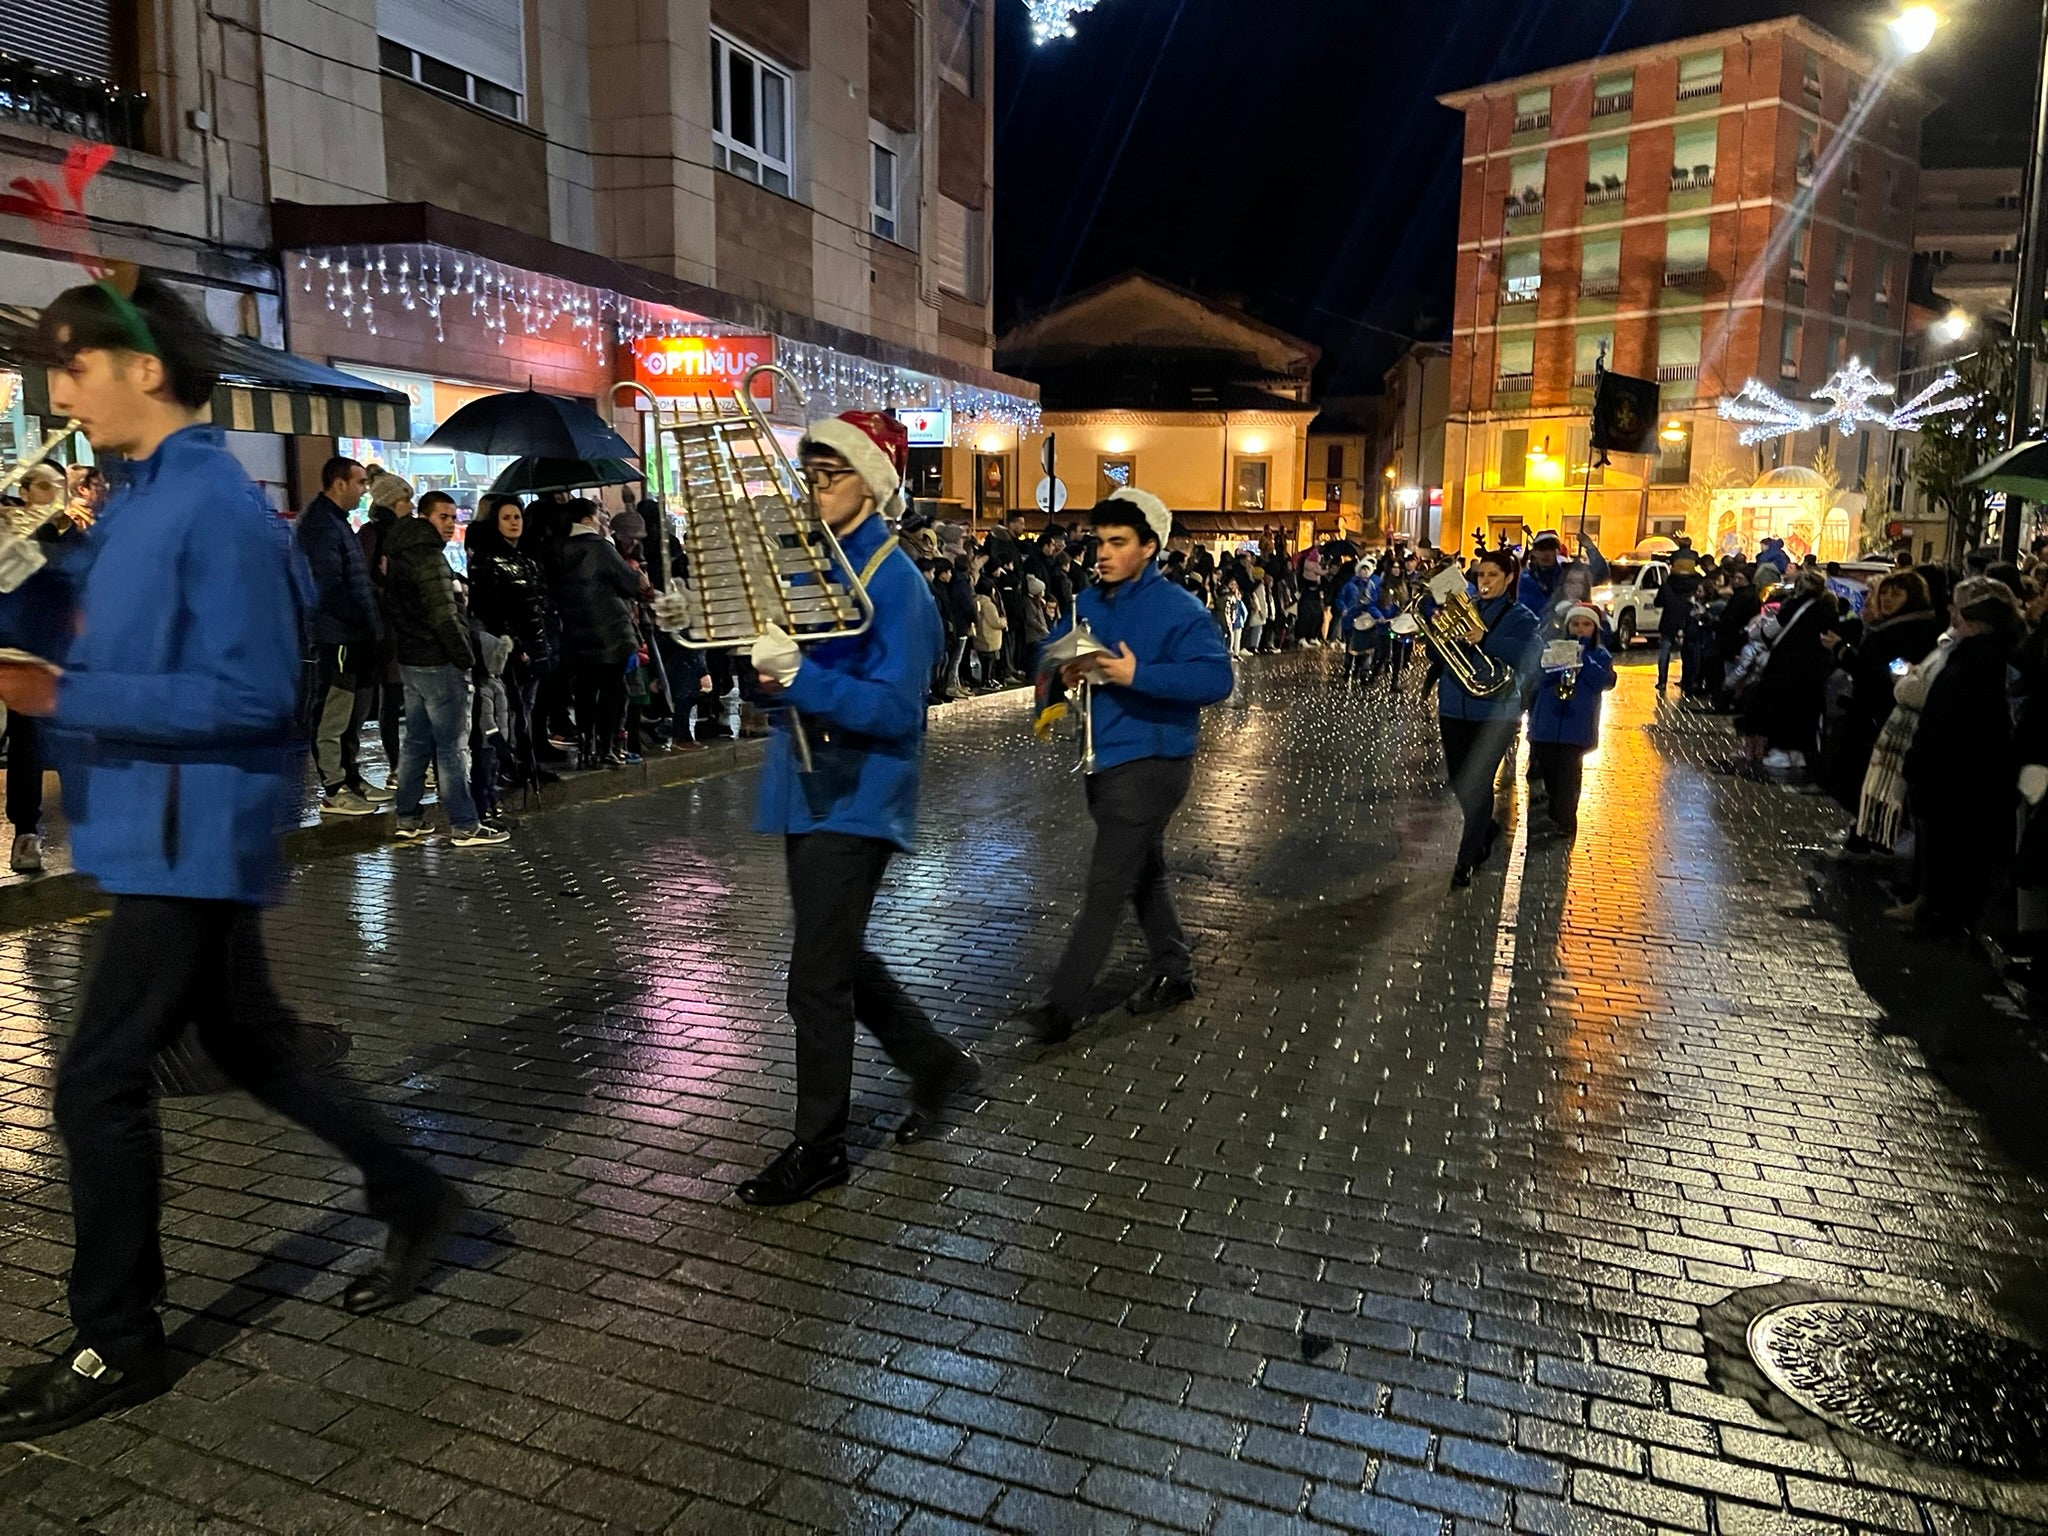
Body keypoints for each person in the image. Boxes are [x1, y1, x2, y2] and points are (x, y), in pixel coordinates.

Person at [0, 277, 457, 1442]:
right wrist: (40, 572)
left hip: (191, 835)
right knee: (253, 1047)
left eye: (76, 364)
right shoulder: (143, 500)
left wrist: (68, 688)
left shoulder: (217, 507)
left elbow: (254, 694)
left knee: (96, 1079)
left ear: (145, 370)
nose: (59, 390)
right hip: (154, 826)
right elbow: (101, 633)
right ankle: (412, 1190)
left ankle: (119, 1339)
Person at [688, 410, 975, 1206]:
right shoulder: (817, 565)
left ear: (875, 483)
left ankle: (821, 1146)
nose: (816, 489)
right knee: (837, 956)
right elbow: (780, 672)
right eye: (810, 474)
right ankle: (935, 1064)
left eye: (833, 474)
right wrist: (759, 665)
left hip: (859, 799)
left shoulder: (897, 584)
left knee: (814, 979)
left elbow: (895, 713)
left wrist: (800, 678)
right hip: (810, 791)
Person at [1022, 488, 1235, 1043]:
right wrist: (1062, 674)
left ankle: (1062, 1006)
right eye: (1100, 541)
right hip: (1104, 760)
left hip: (1153, 764)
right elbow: (1049, 652)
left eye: (1119, 542)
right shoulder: (1089, 603)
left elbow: (1216, 680)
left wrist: (1134, 676)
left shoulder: (1180, 609)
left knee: (1106, 884)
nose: (1104, 553)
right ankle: (1175, 968)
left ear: (1149, 547)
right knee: (1143, 874)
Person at [1901, 577, 2024, 933]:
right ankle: (1942, 908)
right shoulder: (1980, 659)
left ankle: (1945, 914)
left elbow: (1949, 721)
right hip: (1964, 773)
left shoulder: (1974, 663)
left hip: (1956, 774)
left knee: (1954, 848)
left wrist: (1921, 763)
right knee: (1955, 847)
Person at [384, 491, 507, 846]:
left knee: (417, 744)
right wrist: (465, 656)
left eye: (454, 517)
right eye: (443, 517)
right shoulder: (429, 560)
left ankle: (407, 817)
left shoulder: (401, 555)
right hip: (439, 662)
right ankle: (464, 824)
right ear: (425, 517)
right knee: (452, 747)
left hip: (411, 660)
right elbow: (444, 618)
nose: (451, 524)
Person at [1432, 548, 1541, 888]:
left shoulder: (1522, 616)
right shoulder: (1464, 610)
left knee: (1477, 785)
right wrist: (1436, 632)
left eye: (1493, 575)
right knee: (1459, 782)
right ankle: (1485, 829)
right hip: (1453, 706)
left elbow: (1528, 654)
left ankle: (1466, 860)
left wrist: (1486, 638)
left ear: (1509, 579)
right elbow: (1439, 654)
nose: (1485, 582)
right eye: (1481, 575)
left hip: (1495, 712)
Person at [295, 455, 383, 815]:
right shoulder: (321, 526)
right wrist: (359, 619)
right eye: (360, 483)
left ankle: (351, 777)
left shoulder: (337, 523)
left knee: (352, 712)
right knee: (334, 709)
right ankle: (334, 787)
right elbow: (329, 587)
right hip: (338, 636)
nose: (364, 491)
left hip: (353, 634)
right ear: (339, 483)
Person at [463, 495, 556, 786]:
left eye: (517, 517)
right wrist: (513, 644)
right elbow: (490, 610)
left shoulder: (528, 558)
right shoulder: (488, 562)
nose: (514, 523)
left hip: (536, 644)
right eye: (506, 518)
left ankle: (525, 762)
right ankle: (509, 763)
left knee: (526, 708)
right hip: (511, 648)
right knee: (510, 710)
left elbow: (539, 603)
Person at [554, 497, 645, 768]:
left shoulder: (558, 549)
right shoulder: (601, 547)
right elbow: (629, 584)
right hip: (609, 635)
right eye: (597, 516)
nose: (601, 520)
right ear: (586, 520)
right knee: (610, 694)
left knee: (584, 692)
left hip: (575, 636)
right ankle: (606, 748)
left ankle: (586, 747)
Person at [1527, 604, 1616, 837]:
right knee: (1551, 774)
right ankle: (1556, 810)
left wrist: (1583, 661)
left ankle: (1566, 818)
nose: (1580, 629)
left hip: (1576, 726)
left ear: (1595, 629)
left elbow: (1605, 681)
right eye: (1575, 624)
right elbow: (1538, 677)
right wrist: (1554, 664)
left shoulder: (1600, 655)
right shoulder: (1554, 648)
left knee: (1569, 776)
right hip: (1548, 722)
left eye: (1586, 625)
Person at [1656, 548, 1704, 692]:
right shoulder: (1697, 583)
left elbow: (1658, 601)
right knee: (1688, 651)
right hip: (1689, 619)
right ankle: (1687, 679)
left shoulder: (1668, 584)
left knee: (1665, 649)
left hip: (1669, 619)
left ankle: (1662, 681)